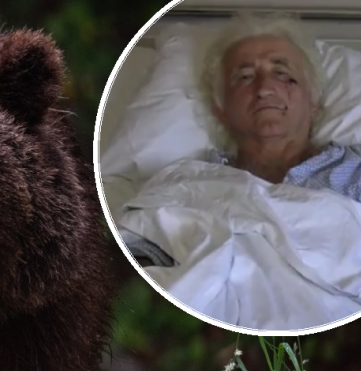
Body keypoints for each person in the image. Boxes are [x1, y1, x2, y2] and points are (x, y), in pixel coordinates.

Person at [129, 12, 361, 267]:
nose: (264, 89)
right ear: (221, 109)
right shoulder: (186, 183)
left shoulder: (354, 175)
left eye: (283, 73)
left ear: (314, 101)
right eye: (245, 77)